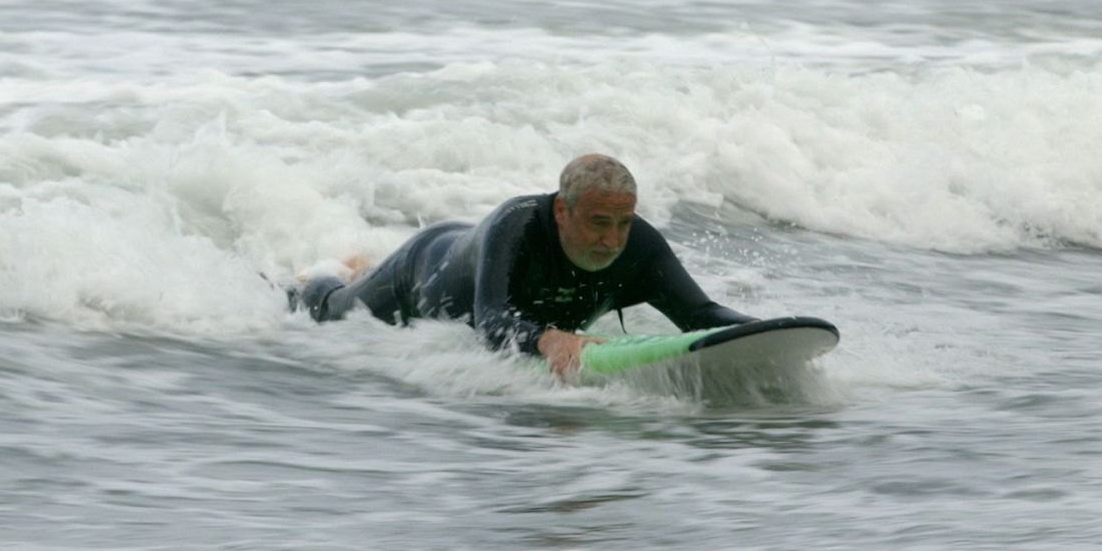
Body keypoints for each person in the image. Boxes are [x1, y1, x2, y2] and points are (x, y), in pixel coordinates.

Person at [291, 154, 755, 378]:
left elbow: (700, 315)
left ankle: (360, 266)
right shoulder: (517, 226)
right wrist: (548, 338)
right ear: (562, 211)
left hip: (469, 256)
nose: (612, 240)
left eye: (623, 222)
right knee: (332, 312)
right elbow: (491, 320)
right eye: (598, 222)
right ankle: (310, 280)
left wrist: (764, 330)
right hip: (421, 272)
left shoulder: (640, 246)